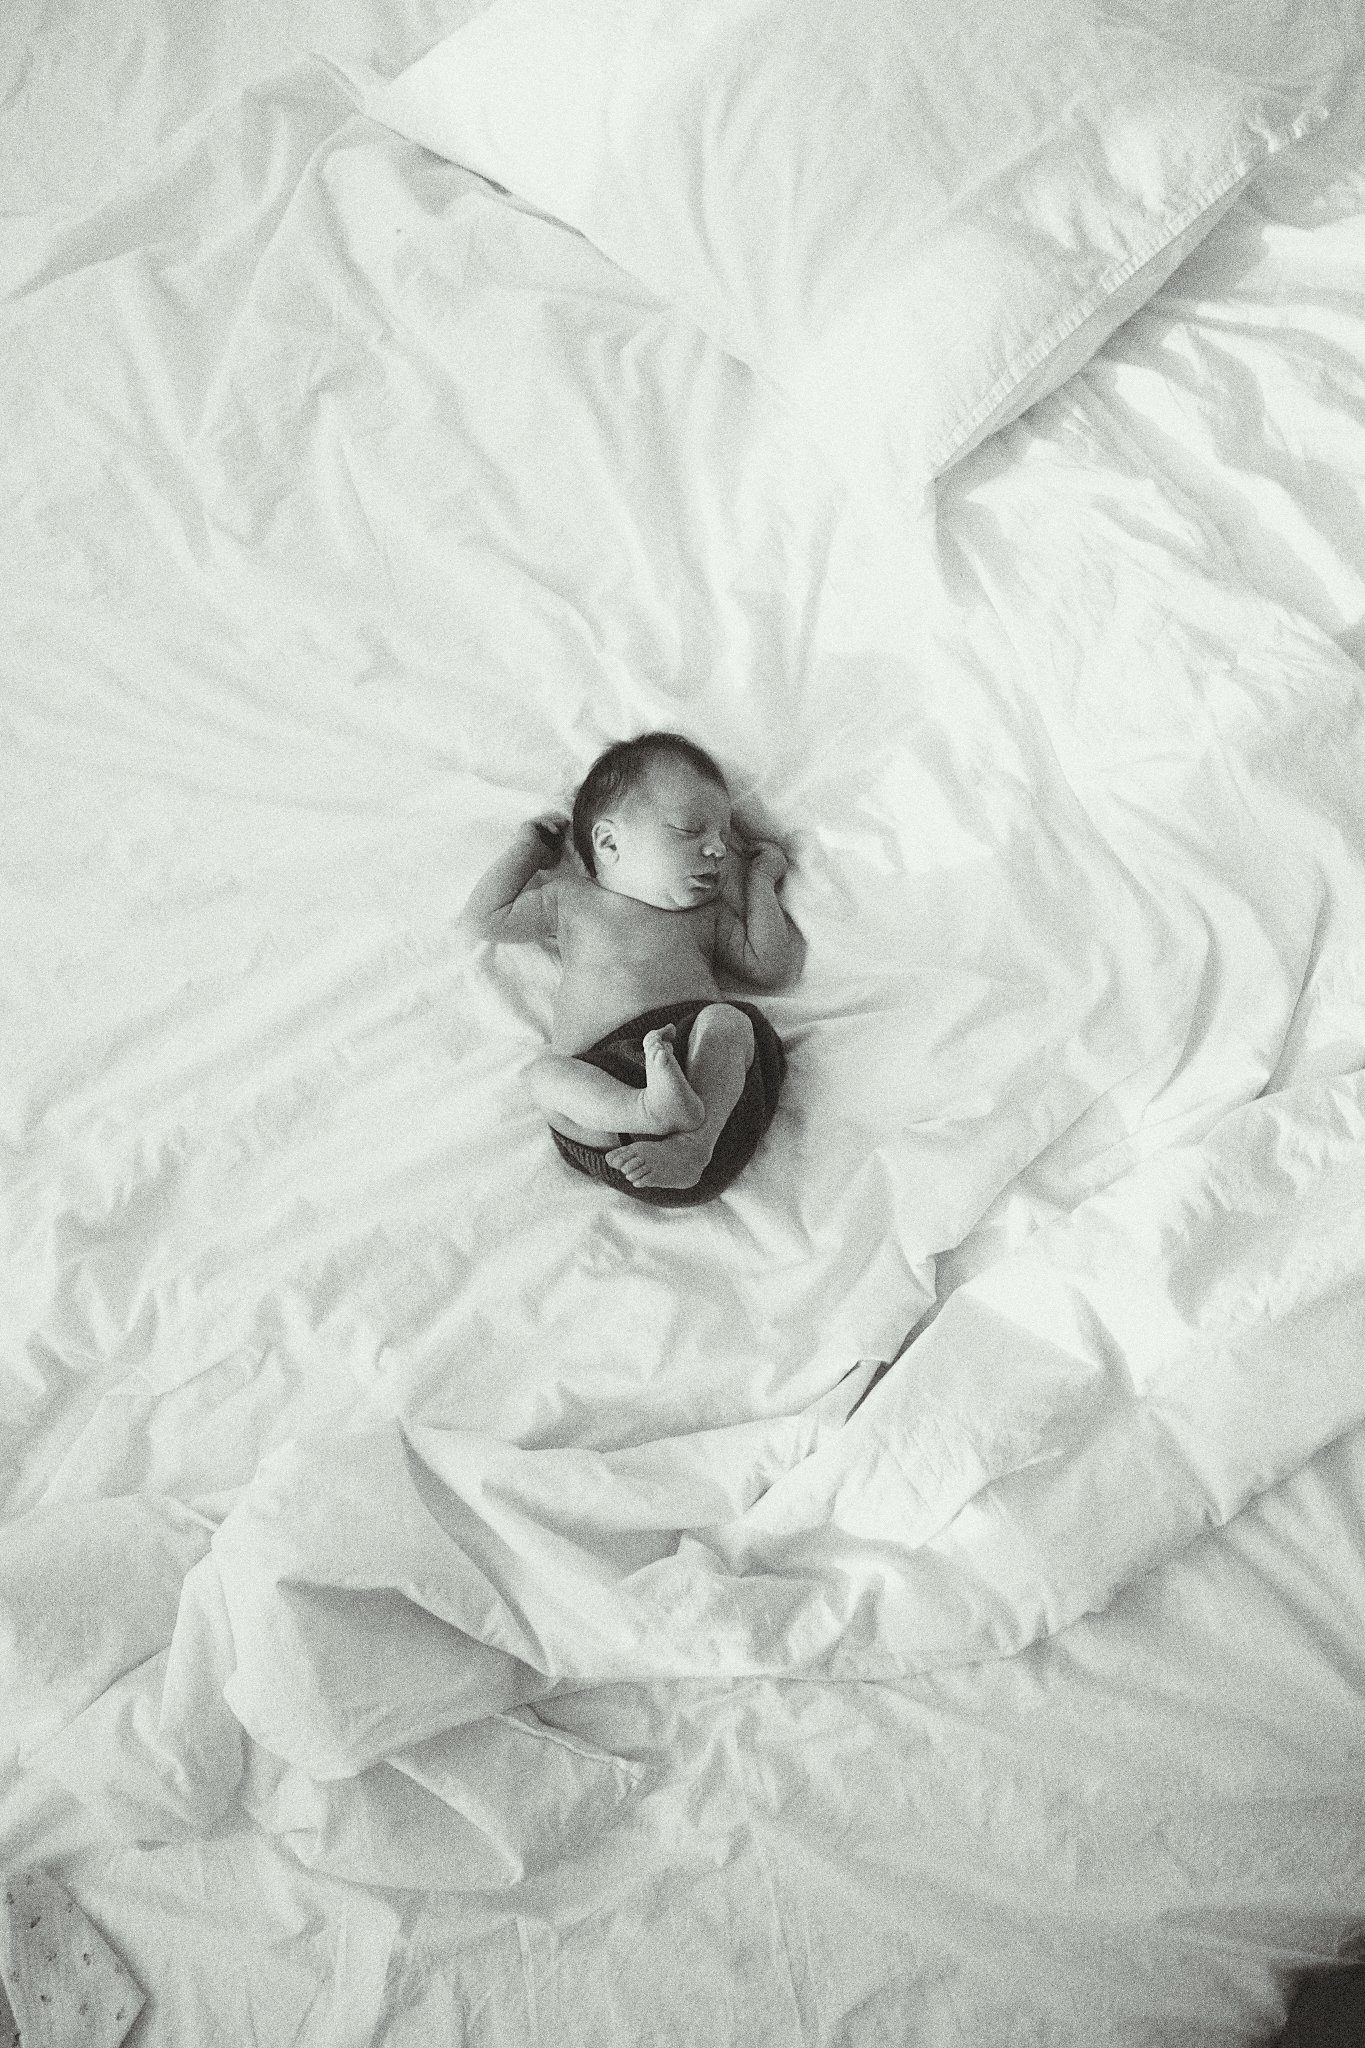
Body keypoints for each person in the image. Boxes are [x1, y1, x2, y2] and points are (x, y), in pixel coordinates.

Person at [457, 732, 800, 1205]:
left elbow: (772, 968)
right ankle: (647, 1111)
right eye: (690, 830)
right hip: (609, 1116)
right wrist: (531, 847)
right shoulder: (571, 901)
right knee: (544, 1077)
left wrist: (760, 881)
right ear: (609, 842)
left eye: (723, 836)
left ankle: (690, 1146)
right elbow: (482, 919)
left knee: (729, 1022)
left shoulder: (707, 915)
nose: (719, 849)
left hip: (703, 1088)